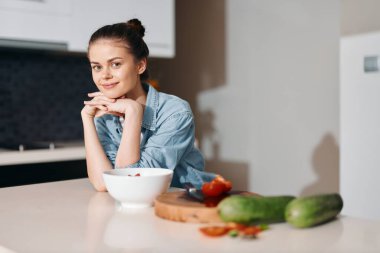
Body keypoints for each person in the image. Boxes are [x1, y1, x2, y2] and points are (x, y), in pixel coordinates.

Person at [81, 19, 216, 191]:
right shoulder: (104, 117)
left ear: (140, 65)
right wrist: (87, 118)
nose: (104, 75)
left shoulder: (175, 113)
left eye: (115, 64)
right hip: (137, 208)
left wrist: (133, 112)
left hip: (185, 204)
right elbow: (102, 184)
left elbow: (132, 182)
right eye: (97, 67)